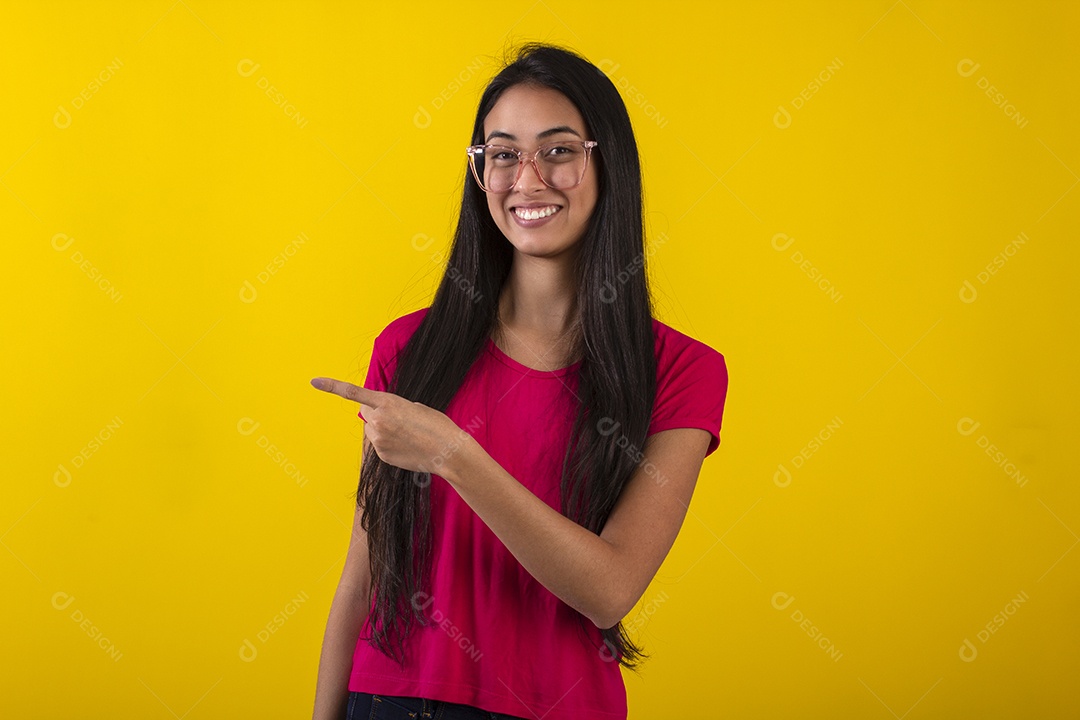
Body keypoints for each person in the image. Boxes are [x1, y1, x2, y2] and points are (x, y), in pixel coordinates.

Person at [309, 42, 728, 720]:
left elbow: (611, 588)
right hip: (387, 702)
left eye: (558, 151)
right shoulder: (409, 349)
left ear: (606, 164)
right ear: (480, 174)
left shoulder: (681, 371)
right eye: (502, 154)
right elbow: (361, 581)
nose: (527, 179)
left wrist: (453, 455)